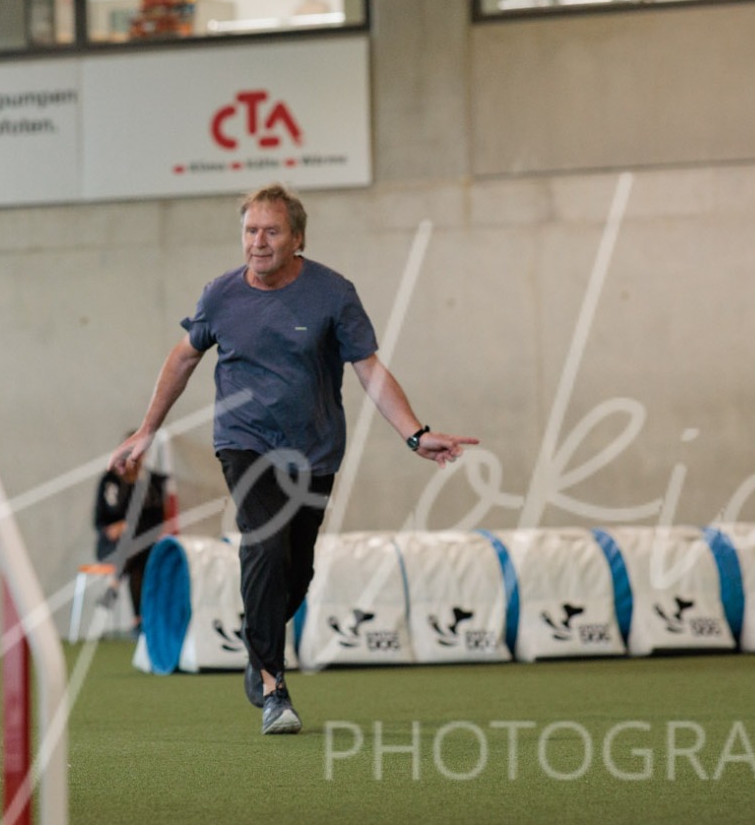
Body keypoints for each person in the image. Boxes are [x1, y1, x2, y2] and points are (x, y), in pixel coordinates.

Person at [110, 184, 476, 736]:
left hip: (314, 450)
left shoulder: (332, 294)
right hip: (245, 443)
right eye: (250, 231)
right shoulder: (220, 296)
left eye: (272, 231)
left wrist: (414, 434)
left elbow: (369, 370)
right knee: (264, 542)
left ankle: (257, 640)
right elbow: (183, 358)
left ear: (297, 238)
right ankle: (272, 684)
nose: (258, 242)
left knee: (295, 571)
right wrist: (147, 429)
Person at [92, 446, 169, 624]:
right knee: (138, 552)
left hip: (141, 546)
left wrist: (128, 527)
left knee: (138, 544)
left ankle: (113, 587)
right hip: (111, 547)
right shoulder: (110, 481)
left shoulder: (152, 482)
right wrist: (114, 529)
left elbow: (157, 522)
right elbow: (98, 521)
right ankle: (138, 621)